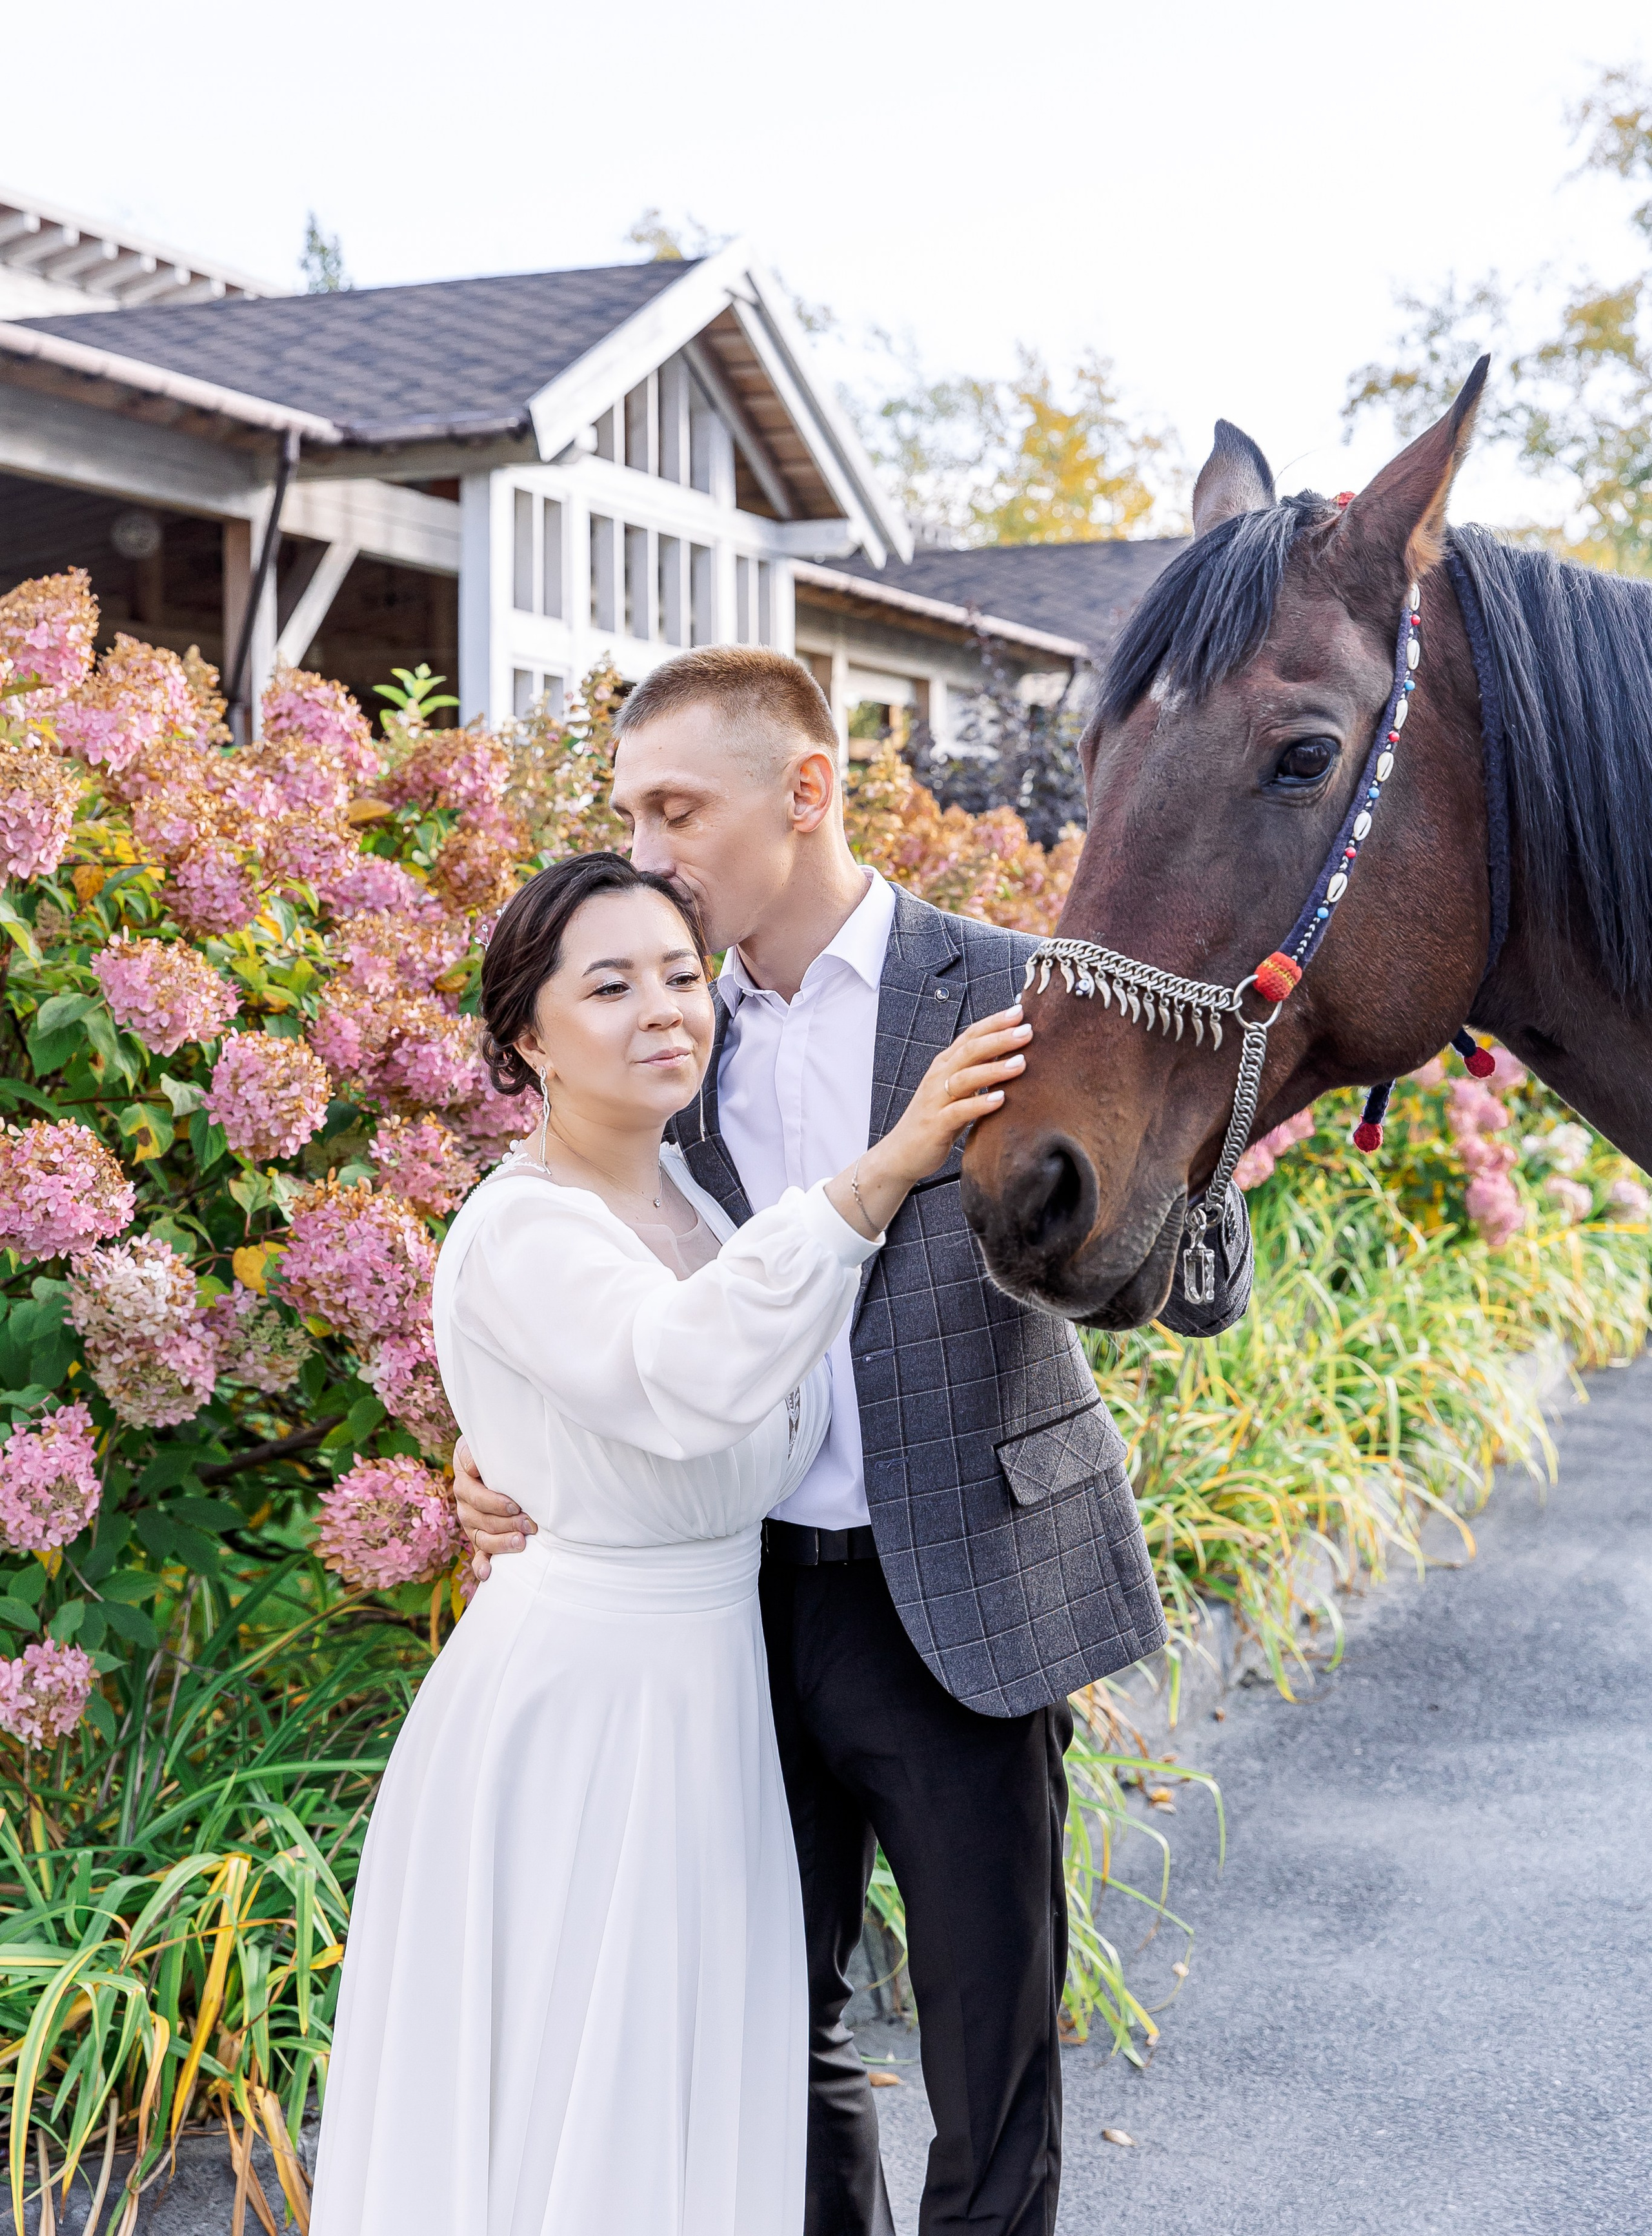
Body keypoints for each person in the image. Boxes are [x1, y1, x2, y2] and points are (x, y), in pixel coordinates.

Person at [456, 648, 1253, 2235]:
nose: (644, 850)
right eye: (628, 813)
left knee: (989, 2054)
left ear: (804, 791)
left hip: (962, 1579)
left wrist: (1160, 1170)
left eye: (673, 810)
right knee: (766, 2039)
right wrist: (510, 1458)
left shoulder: (1021, 988)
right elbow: (588, 1282)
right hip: (732, 1602)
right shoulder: (662, 1032)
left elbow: (1206, 1286)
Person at [309, 846, 1031, 2236]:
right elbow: (682, 1369)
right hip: (588, 1704)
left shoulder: (691, 1198)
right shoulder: (521, 1226)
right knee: (594, 2061)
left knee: (698, 2059)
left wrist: (521, 1447)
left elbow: (718, 1381)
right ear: (528, 1038)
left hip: (710, 1678)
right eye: (609, 987)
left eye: (682, 976)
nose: (663, 1010)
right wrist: (887, 1166)